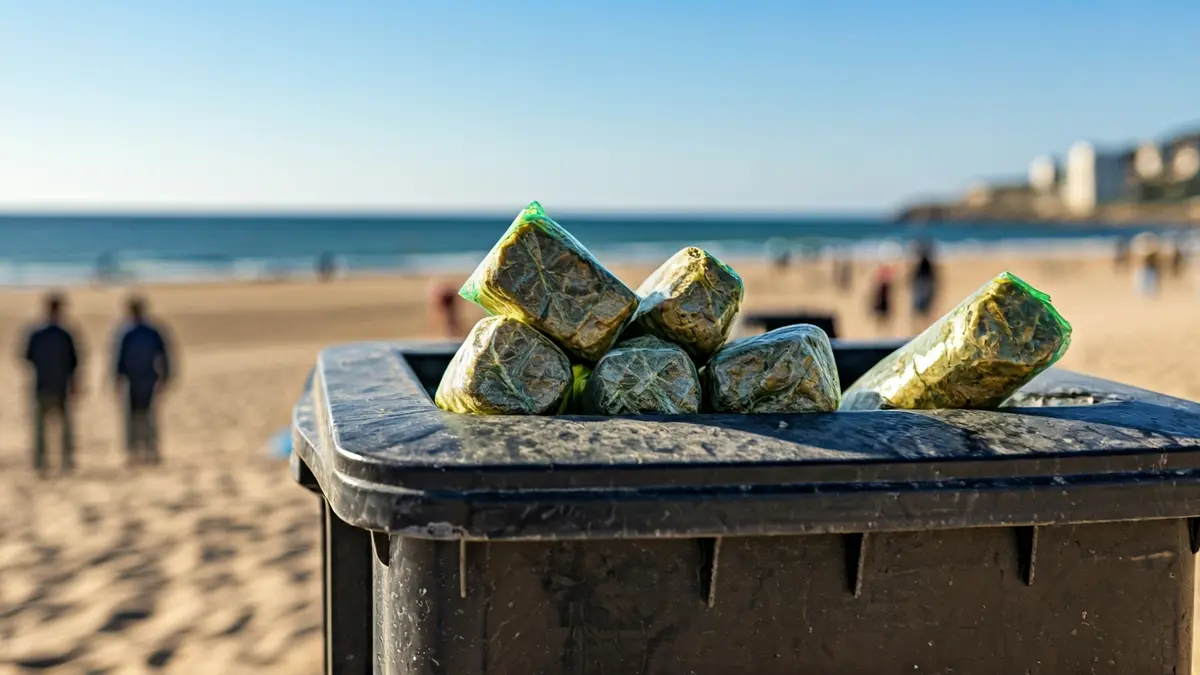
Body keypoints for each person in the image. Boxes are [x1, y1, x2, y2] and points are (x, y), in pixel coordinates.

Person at [20, 293, 80, 477]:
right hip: (60, 384)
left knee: (41, 426)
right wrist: (74, 382)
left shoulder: (37, 333)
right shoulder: (64, 334)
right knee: (64, 425)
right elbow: (74, 362)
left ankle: (41, 461)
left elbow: (27, 357)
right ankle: (66, 460)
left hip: (42, 384)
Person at [112, 296, 172, 466]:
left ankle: (147, 451)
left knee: (144, 417)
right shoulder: (131, 331)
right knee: (139, 417)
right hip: (138, 379)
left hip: (145, 379)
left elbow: (164, 354)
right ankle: (139, 452)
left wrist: (166, 375)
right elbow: (119, 358)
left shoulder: (137, 331)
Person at [909, 240, 939, 330]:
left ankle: (921, 327)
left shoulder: (923, 264)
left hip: (922, 287)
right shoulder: (927, 263)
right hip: (924, 287)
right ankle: (922, 327)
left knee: (921, 309)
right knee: (923, 309)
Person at [870, 264, 894, 336]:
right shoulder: (883, 283)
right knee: (881, 319)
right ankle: (881, 334)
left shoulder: (885, 283)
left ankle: (884, 334)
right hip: (882, 302)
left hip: (884, 302)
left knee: (884, 319)